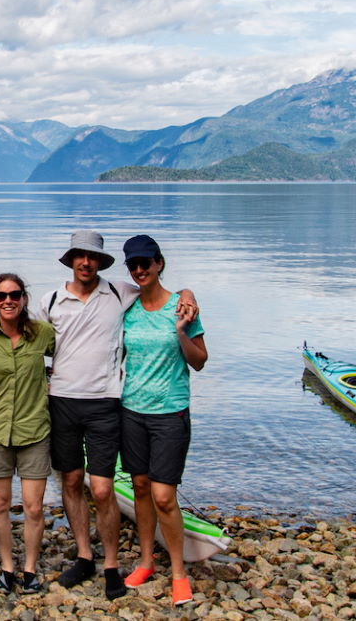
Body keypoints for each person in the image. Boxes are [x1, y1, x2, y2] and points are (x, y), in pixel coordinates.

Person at [30, 229, 196, 599]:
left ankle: (110, 564)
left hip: (107, 402)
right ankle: (85, 557)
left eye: (92, 258)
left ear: (101, 263)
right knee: (72, 482)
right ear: (71, 260)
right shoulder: (50, 299)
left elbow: (161, 290)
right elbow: (22, 332)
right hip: (62, 401)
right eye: (79, 256)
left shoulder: (121, 292)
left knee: (102, 489)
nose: (85, 263)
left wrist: (188, 293)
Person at [117, 235, 207, 605]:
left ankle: (179, 573)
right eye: (133, 265)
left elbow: (199, 360)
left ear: (159, 264)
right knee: (139, 488)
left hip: (170, 412)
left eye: (145, 263)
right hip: (131, 410)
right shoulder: (126, 305)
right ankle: (145, 561)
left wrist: (182, 331)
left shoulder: (182, 308)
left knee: (164, 496)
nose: (139, 270)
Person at [0, 273, 55, 594]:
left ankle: (29, 568)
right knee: (0, 505)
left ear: (24, 298)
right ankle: (6, 566)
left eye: (14, 295)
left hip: (35, 432)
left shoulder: (42, 334)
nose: (8, 301)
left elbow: (71, 358)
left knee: (33, 507)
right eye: (1, 296)